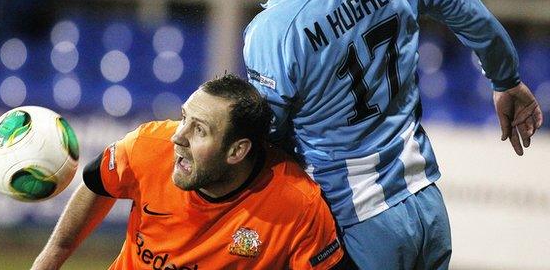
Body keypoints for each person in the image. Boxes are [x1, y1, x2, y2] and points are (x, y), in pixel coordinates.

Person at [242, 0, 544, 269]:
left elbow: (269, 137)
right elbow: (468, 11)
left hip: (354, 220)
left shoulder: (274, 30)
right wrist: (505, 79)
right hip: (427, 205)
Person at [31, 74, 349, 270]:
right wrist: (51, 257)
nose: (178, 136)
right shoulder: (148, 146)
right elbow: (98, 180)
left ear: (237, 151)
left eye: (199, 130)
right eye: (184, 118)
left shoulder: (298, 204)